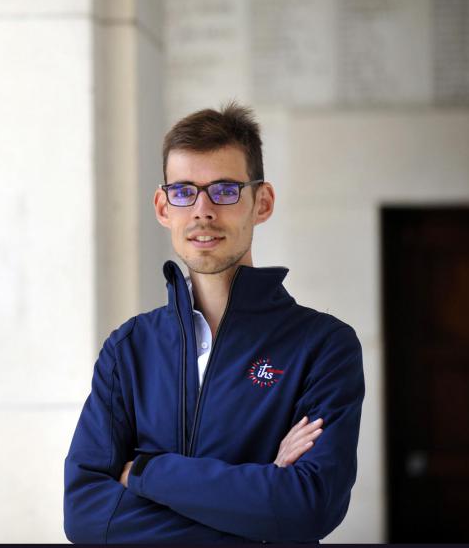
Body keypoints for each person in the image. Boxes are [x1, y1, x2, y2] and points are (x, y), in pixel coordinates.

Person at [63, 102, 364, 544]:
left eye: (224, 190)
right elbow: (85, 517)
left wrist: (145, 470)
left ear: (262, 203)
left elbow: (308, 507)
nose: (202, 210)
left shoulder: (323, 346)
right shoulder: (128, 349)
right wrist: (261, 498)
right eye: (184, 191)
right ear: (164, 208)